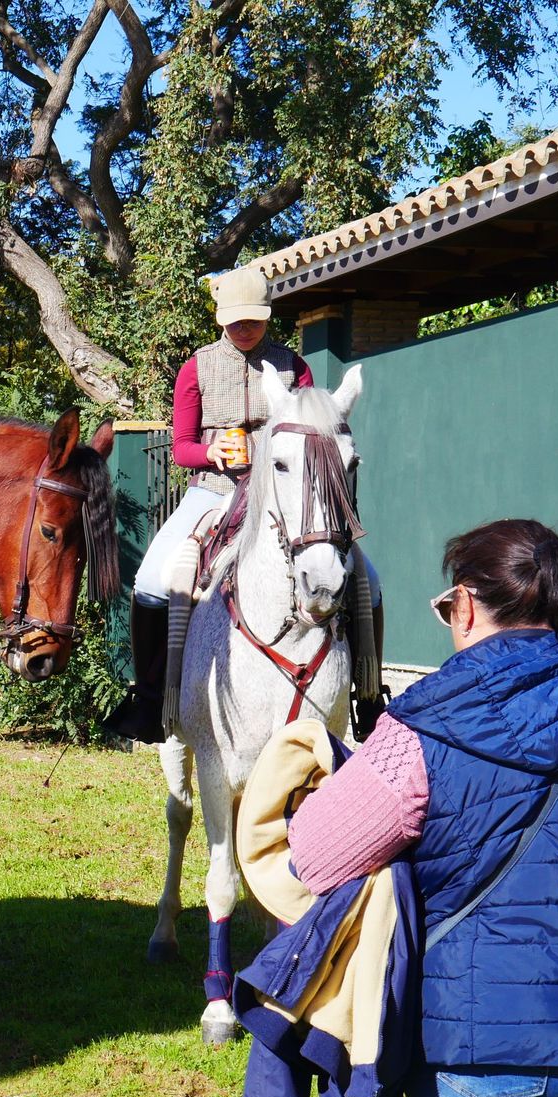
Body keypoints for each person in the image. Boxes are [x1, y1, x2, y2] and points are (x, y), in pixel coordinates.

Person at [286, 518, 558, 1097]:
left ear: (464, 604)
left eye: (446, 610)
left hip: (486, 1056)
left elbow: (314, 856)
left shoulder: (422, 725)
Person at [105, 266, 382, 743]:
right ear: (219, 319)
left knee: (368, 580)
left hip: (283, 493)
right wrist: (211, 452)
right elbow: (182, 448)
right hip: (214, 490)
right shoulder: (196, 368)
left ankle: (368, 696)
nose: (245, 328)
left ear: (267, 317)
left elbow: (314, 437)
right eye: (236, 320)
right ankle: (150, 699)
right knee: (151, 578)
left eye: (253, 319)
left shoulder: (296, 367)